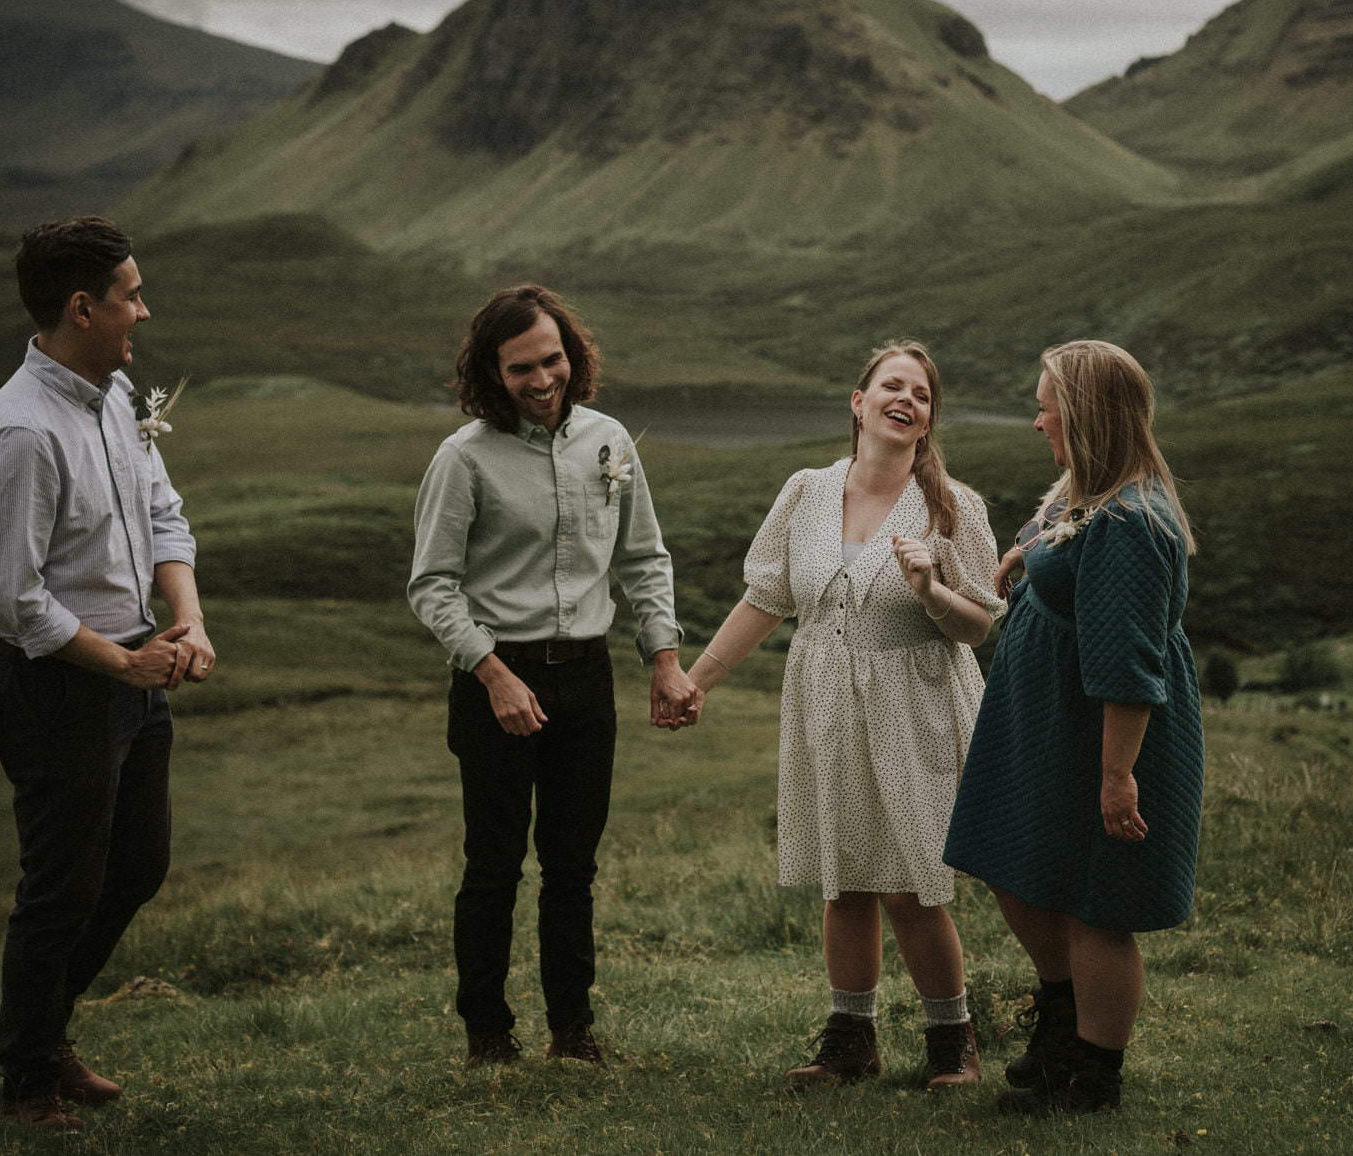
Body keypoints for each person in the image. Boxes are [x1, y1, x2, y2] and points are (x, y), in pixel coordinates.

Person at [685, 340, 1005, 1091]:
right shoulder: (805, 491)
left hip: (914, 703)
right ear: (857, 402)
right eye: (892, 386)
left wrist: (930, 590)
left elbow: (979, 625)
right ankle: (850, 1039)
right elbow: (767, 597)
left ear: (927, 421)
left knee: (908, 882)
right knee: (846, 879)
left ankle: (952, 1041)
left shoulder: (954, 507)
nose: (907, 400)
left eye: (921, 395)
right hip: (825, 700)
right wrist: (697, 681)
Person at [0, 216, 215, 1131]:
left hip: (132, 673)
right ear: (81, 306)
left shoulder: (111, 397)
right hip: (58, 686)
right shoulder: (19, 433)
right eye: (130, 295)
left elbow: (165, 513)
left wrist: (186, 619)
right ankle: (25, 1077)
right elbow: (10, 600)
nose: (143, 309)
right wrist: (124, 660)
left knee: (138, 863)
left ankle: (29, 1029)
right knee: (60, 883)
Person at [408, 284, 698, 1069]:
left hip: (586, 678)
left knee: (573, 867)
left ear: (573, 354)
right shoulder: (463, 457)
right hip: (496, 678)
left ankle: (573, 1030)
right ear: (489, 373)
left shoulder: (609, 441)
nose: (542, 380)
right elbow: (431, 584)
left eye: (553, 360)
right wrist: (492, 672)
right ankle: (488, 1032)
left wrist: (664, 660)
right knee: (494, 865)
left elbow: (643, 558)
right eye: (521, 368)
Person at [942, 339, 1203, 1115]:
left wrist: (1117, 774)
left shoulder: (1131, 520)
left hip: (1099, 730)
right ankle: (1062, 1018)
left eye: (1046, 402)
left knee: (1097, 900)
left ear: (1083, 414)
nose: (1035, 419)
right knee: (1015, 863)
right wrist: (1026, 553)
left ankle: (1093, 1074)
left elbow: (1127, 664)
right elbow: (1060, 535)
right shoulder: (1088, 491)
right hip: (1047, 721)